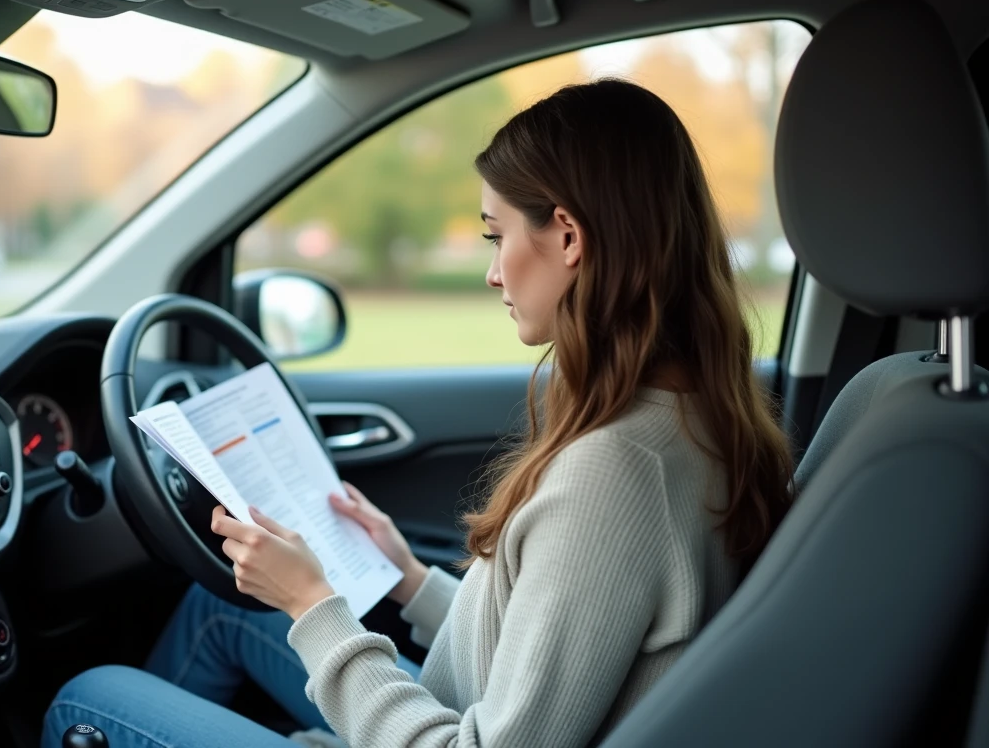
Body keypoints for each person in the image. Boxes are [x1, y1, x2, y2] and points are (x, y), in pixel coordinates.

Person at [43, 79, 795, 748]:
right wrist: (409, 580)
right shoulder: (699, 419)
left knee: (90, 699)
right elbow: (563, 645)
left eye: (499, 236)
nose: (495, 271)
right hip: (456, 703)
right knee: (226, 611)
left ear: (568, 236)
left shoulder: (615, 473)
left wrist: (312, 602)